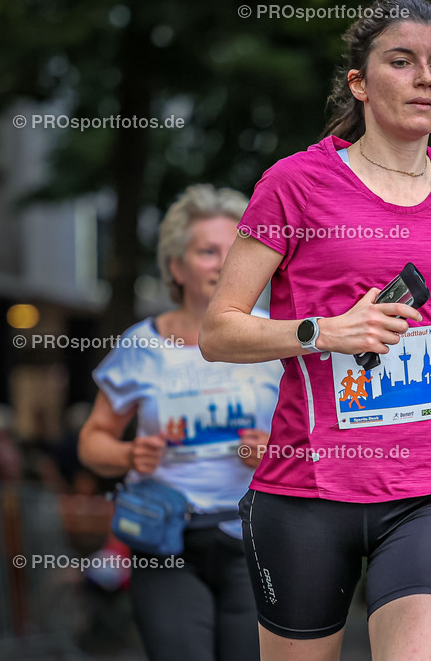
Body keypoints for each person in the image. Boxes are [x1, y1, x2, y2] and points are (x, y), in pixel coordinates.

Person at [199, 0, 431, 661]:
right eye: (401, 62)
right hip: (309, 487)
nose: (424, 78)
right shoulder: (294, 185)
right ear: (360, 83)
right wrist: (324, 332)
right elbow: (219, 331)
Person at [78, 185, 282, 661]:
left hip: (256, 537)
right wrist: (129, 454)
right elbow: (92, 440)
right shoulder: (141, 345)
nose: (222, 263)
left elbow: (319, 437)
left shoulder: (275, 334)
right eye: (207, 251)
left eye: (233, 251)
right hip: (164, 538)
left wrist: (275, 450)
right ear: (176, 266)